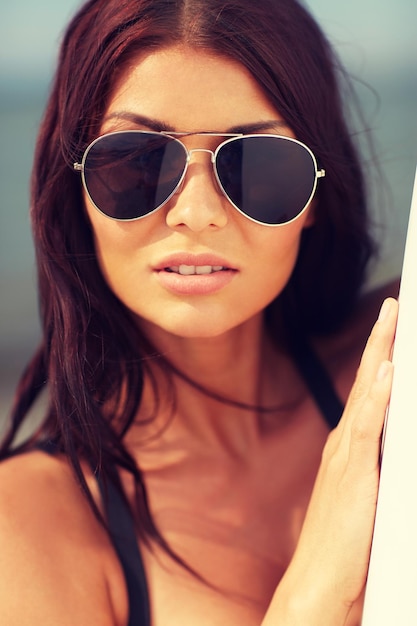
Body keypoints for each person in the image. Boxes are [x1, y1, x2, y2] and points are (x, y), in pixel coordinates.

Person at [0, 0, 399, 624]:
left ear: (319, 193)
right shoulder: (26, 526)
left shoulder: (392, 370)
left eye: (259, 165)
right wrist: (314, 596)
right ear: (74, 187)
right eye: (136, 162)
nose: (196, 213)